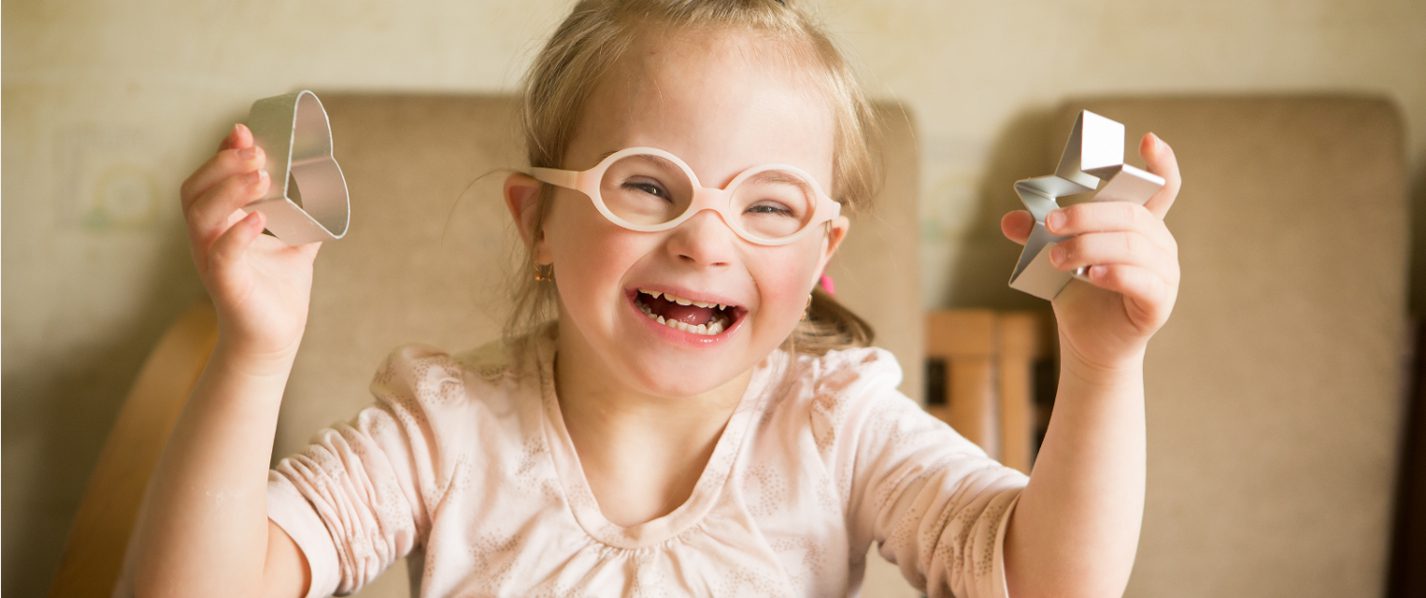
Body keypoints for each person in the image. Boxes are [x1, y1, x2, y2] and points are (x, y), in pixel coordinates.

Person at [126, 0, 1183, 596]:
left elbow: (1051, 586)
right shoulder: (443, 431)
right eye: (646, 184)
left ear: (823, 251)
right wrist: (252, 353)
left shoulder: (835, 424)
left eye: (768, 207)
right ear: (536, 223)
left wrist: (1102, 366)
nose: (702, 237)